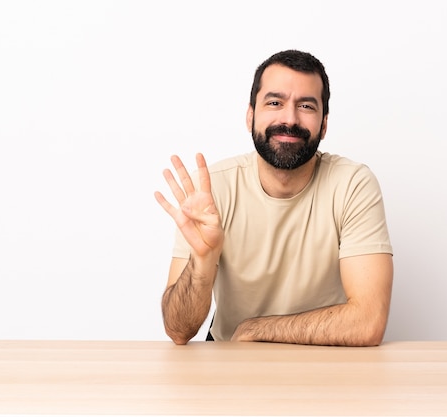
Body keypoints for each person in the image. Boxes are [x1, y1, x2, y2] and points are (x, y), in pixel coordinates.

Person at [154, 49, 393, 346]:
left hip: (326, 358)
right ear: (250, 115)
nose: (289, 119)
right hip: (230, 364)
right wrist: (203, 260)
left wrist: (257, 330)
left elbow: (368, 322)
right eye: (275, 102)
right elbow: (179, 331)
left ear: (325, 123)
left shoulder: (353, 185)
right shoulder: (212, 190)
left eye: (306, 105)